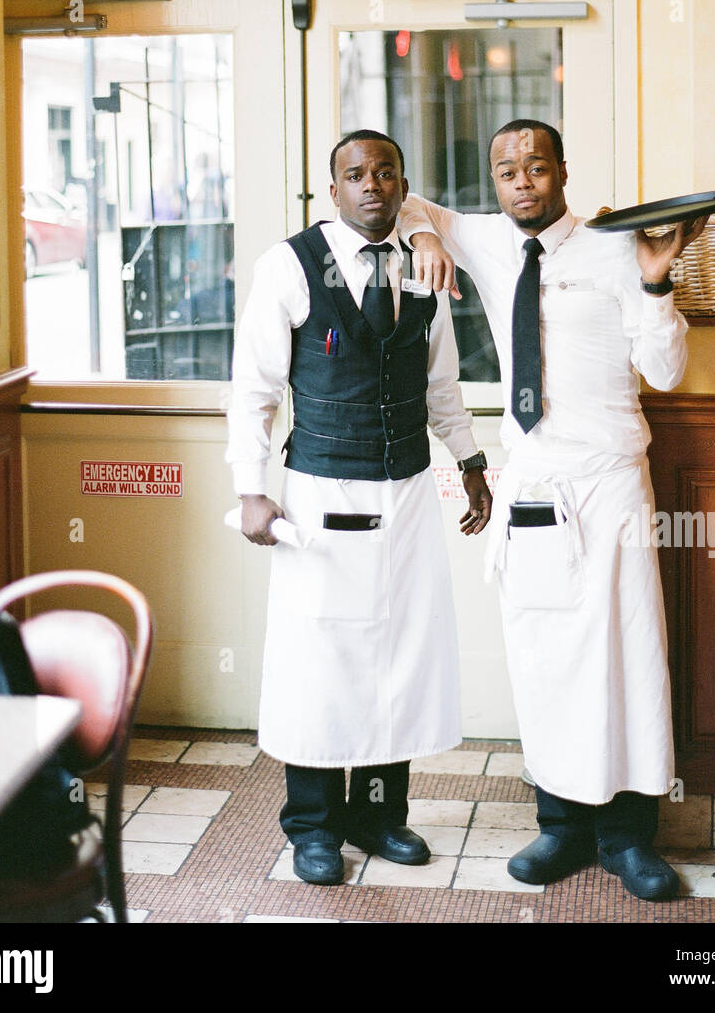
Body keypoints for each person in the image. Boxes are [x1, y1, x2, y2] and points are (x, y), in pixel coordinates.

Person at [399, 119, 706, 902]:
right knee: (544, 659)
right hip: (533, 483)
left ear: (562, 171)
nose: (522, 182)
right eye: (507, 171)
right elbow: (403, 200)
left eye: (536, 166)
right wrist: (424, 239)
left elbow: (665, 373)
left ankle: (628, 836)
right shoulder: (489, 242)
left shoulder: (616, 246)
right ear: (494, 183)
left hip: (609, 483)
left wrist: (658, 281)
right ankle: (562, 826)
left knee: (629, 656)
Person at [226, 129, 492, 885]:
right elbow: (253, 390)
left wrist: (471, 462)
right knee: (321, 665)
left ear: (403, 186)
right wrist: (252, 488)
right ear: (332, 189)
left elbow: (443, 386)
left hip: (406, 494)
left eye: (386, 173)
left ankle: (379, 816)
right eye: (355, 175)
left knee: (397, 660)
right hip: (319, 495)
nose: (371, 185)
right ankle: (313, 828)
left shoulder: (423, 266)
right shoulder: (289, 265)